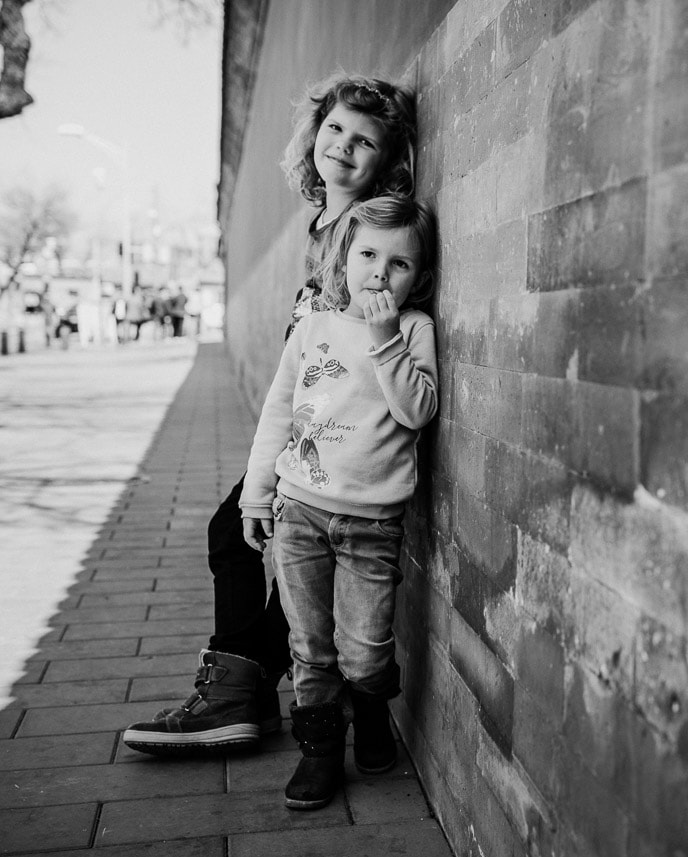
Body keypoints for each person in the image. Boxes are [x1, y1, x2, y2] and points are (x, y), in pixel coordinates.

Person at [122, 72, 417, 755]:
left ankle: (238, 689)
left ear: (386, 160)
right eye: (334, 129)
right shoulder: (325, 223)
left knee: (260, 537)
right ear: (314, 134)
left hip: (341, 435)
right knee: (247, 531)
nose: (342, 145)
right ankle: (242, 684)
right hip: (311, 421)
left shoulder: (368, 227)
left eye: (363, 140)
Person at [240, 194, 438, 810]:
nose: (380, 271)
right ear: (344, 257)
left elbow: (418, 410)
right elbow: (279, 409)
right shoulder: (314, 327)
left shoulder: (413, 330)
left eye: (399, 264)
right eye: (369, 254)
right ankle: (320, 751)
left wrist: (385, 339)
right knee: (311, 645)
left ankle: (372, 708)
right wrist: (257, 493)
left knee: (365, 649)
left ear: (420, 276)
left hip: (372, 523)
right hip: (298, 511)